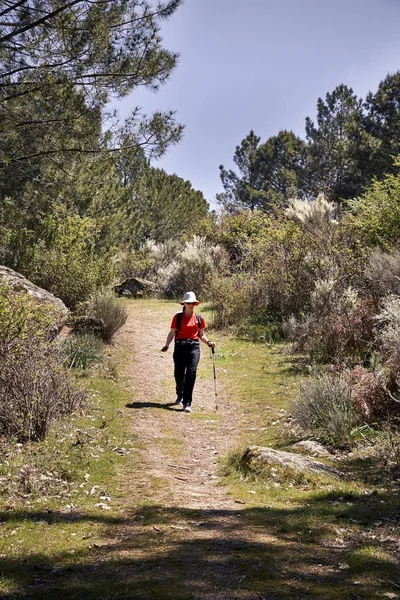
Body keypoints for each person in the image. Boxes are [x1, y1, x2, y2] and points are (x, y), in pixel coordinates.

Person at [161, 291, 215, 413]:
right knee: (179, 374)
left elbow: (201, 335)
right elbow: (172, 333)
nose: (191, 305)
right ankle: (179, 393)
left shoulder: (199, 318)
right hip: (180, 347)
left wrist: (209, 342)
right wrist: (167, 345)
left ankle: (187, 402)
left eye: (193, 303)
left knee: (191, 373)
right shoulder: (178, 317)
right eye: (189, 303)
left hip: (194, 347)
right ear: (184, 303)